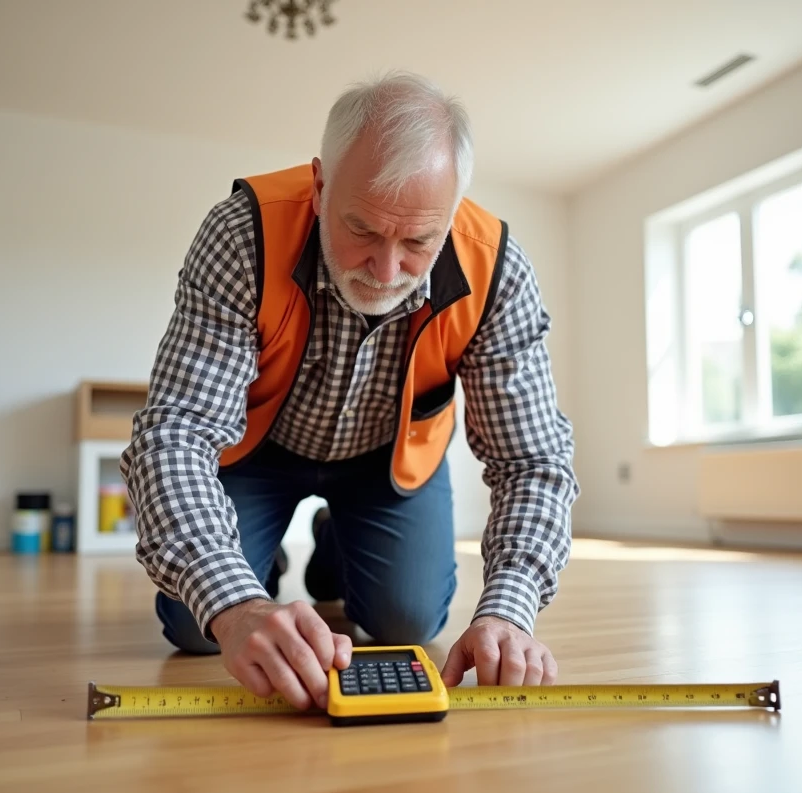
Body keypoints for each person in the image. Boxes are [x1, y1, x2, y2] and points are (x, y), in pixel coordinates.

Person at [120, 70, 578, 711]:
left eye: (418, 240)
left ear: (451, 215)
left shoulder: (496, 269)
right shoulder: (242, 234)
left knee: (407, 626)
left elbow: (532, 459)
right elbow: (177, 431)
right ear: (319, 185)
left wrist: (510, 609)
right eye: (361, 229)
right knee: (194, 625)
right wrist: (237, 602)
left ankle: (339, 544)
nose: (386, 270)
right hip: (259, 452)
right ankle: (264, 556)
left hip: (388, 464)